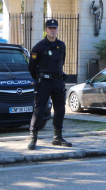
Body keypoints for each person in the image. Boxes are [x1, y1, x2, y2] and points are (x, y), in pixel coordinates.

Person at [27, 19, 72, 150]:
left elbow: (61, 62)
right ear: (46, 30)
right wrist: (40, 78)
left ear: (57, 30)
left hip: (58, 81)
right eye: (50, 28)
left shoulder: (61, 45)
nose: (53, 30)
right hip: (44, 82)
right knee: (40, 109)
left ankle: (57, 137)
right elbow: (31, 68)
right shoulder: (39, 47)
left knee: (60, 109)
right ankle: (33, 137)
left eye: (55, 28)